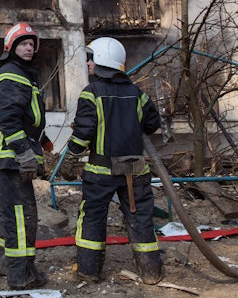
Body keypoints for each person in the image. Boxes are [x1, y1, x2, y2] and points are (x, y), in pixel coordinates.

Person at [59, 37, 163, 284]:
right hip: (135, 172)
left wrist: (69, 160)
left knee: (93, 218)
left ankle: (89, 270)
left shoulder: (91, 93)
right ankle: (150, 272)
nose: (88, 64)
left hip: (100, 173)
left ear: (100, 61)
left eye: (90, 58)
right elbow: (152, 123)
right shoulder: (137, 93)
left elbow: (83, 132)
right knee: (140, 217)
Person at [0, 22, 49, 290]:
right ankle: (21, 275)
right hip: (12, 155)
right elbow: (8, 119)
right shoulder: (11, 74)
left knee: (10, 210)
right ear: (10, 48)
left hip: (11, 154)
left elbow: (25, 118)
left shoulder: (23, 75)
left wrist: (42, 141)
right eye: (23, 43)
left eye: (32, 44)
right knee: (22, 214)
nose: (29, 47)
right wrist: (23, 152)